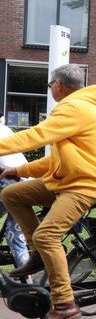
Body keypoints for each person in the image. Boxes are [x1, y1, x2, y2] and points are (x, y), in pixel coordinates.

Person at [0, 64, 96, 319]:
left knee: (47, 235)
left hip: (84, 187)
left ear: (59, 86)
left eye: (50, 85)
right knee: (12, 194)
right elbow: (55, 160)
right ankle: (38, 255)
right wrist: (19, 170)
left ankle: (64, 304)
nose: (50, 89)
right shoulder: (81, 108)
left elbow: (35, 136)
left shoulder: (74, 108)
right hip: (67, 181)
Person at [0, 115, 29, 268]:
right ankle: (27, 276)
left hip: (9, 185)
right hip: (25, 184)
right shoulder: (6, 129)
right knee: (15, 234)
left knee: (15, 233)